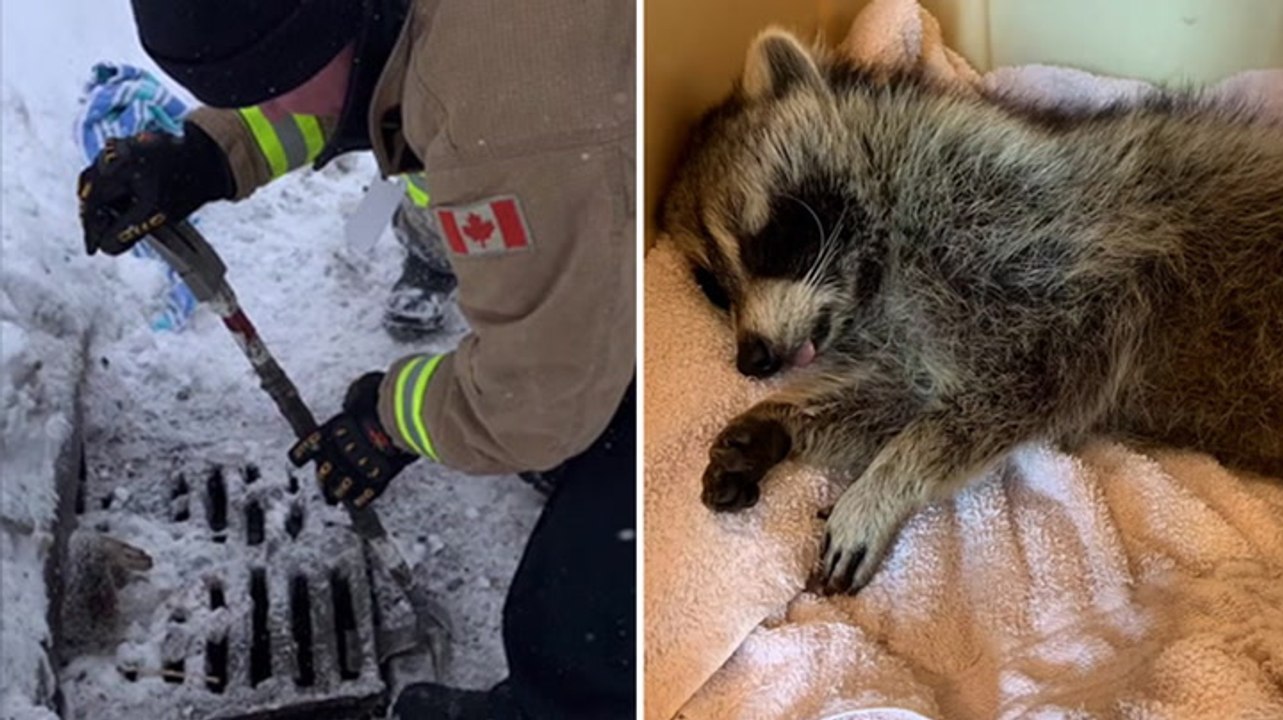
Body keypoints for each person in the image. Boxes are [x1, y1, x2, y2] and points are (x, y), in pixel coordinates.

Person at [76, 1, 636, 718]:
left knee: (592, 601)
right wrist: (208, 156)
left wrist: (389, 421)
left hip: (736, 290)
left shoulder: (510, 112)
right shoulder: (399, 32)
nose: (266, 106)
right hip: (624, 166)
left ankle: (559, 703)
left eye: (268, 89)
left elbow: (536, 399)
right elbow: (341, 87)